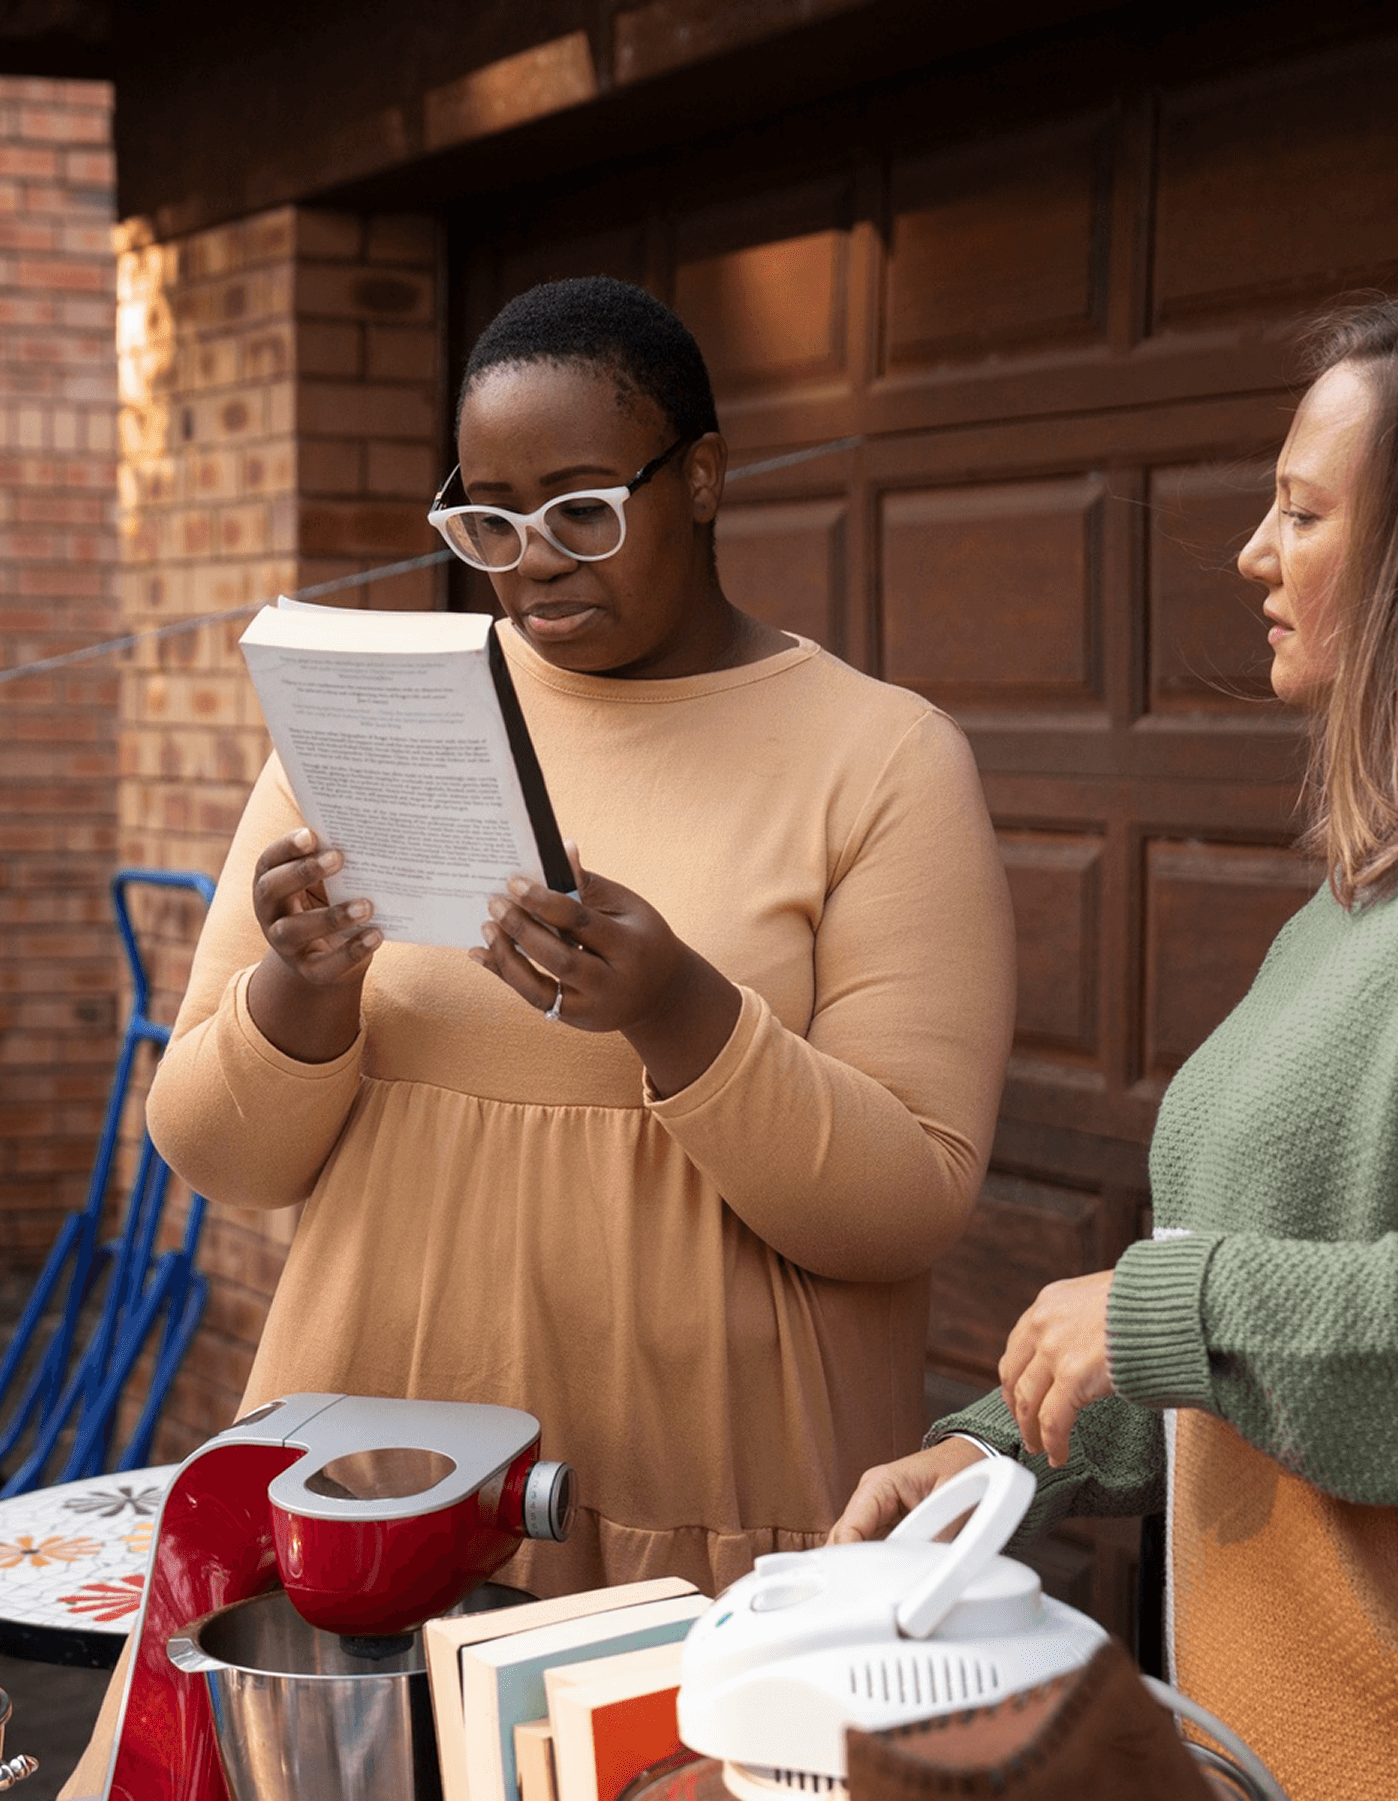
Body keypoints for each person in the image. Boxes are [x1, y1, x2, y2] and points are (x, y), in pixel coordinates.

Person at [833, 294, 1398, 1801]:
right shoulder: (1386, 881)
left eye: (1306, 509)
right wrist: (1002, 1456)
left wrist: (1160, 1311)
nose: (1256, 554)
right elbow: (1244, 1321)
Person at [144, 275, 1015, 1596]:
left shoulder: (879, 759)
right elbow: (214, 1153)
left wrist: (678, 1013)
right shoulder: (384, 725)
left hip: (707, 1494)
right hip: (372, 1477)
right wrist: (300, 997)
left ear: (703, 478)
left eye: (582, 509)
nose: (532, 555)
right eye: (487, 517)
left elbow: (905, 1205)